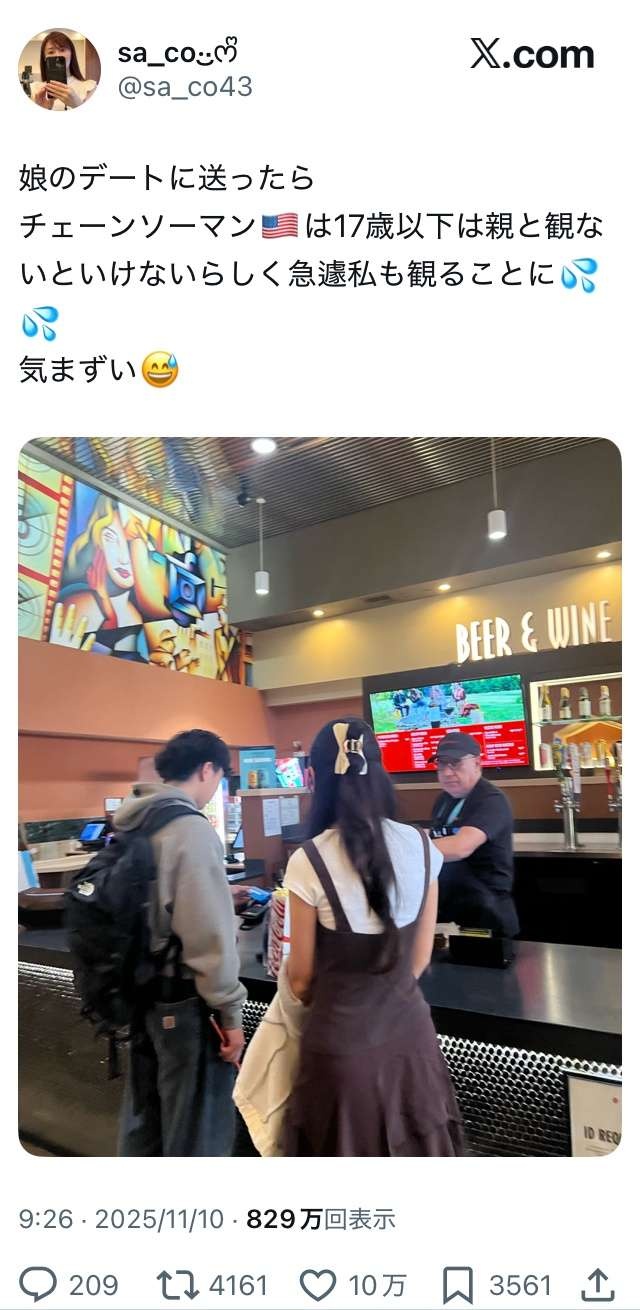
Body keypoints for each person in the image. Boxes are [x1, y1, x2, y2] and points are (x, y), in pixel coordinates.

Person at [281, 718, 464, 1156]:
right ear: (381, 772)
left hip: (340, 1051)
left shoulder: (308, 860)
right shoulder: (422, 846)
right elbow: (419, 958)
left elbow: (301, 979)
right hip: (412, 1044)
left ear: (314, 778)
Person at [114, 729, 246, 1156]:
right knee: (196, 1131)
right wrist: (230, 1015)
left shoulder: (135, 820)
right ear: (207, 769)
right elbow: (208, 938)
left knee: (146, 1122)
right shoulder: (190, 828)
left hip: (140, 994)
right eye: (220, 777)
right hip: (183, 1004)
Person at [429, 733, 519, 937]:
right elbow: (437, 838)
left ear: (477, 763)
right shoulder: (443, 800)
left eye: (455, 763)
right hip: (452, 913)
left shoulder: (491, 800)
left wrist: (404, 849)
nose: (447, 772)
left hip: (487, 917)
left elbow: (461, 847)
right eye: (441, 764)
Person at [32, 31, 97, 111]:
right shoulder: (37, 89)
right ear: (44, 58)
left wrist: (77, 104)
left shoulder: (89, 87)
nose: (57, 55)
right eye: (51, 52)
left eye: (62, 50)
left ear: (72, 53)